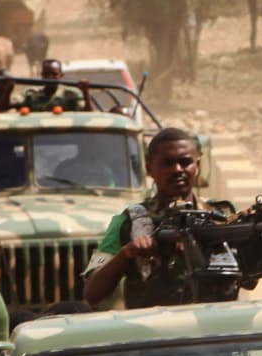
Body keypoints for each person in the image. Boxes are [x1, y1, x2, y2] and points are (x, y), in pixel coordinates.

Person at [82, 127, 228, 309]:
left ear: (197, 166)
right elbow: (92, 293)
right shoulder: (130, 221)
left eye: (185, 162)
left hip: (212, 326)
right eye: (167, 163)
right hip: (153, 330)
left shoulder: (222, 216)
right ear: (149, 168)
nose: (177, 170)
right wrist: (127, 253)